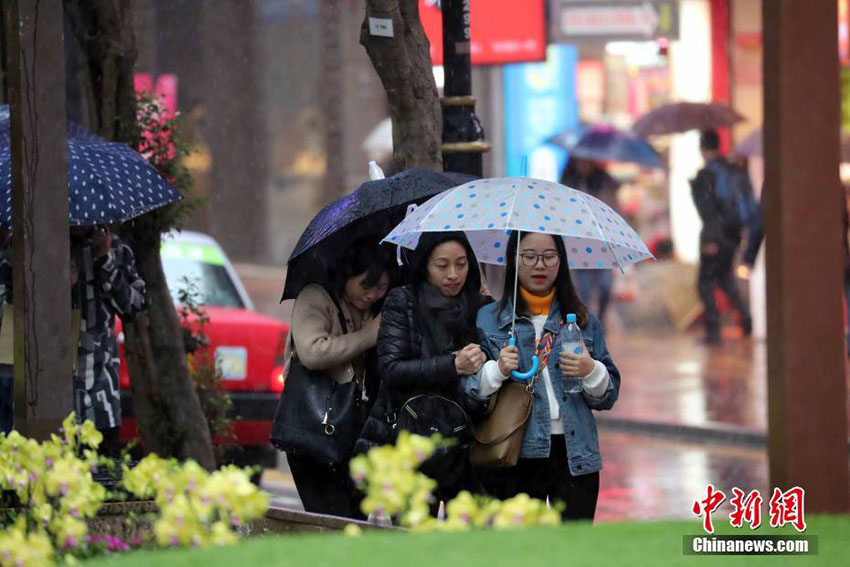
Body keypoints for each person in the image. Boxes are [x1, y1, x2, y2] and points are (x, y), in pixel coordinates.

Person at [470, 231, 621, 521]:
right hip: (516, 453)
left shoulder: (583, 320)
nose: (539, 265)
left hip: (576, 455)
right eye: (529, 256)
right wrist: (497, 370)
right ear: (514, 260)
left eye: (549, 257)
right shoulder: (489, 320)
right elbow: (470, 393)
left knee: (576, 554)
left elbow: (608, 395)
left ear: (561, 262)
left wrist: (591, 370)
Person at [357, 232, 488, 506]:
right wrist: (452, 365)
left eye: (461, 264)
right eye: (442, 265)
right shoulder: (402, 301)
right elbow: (391, 369)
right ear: (425, 265)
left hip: (463, 446)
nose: (453, 274)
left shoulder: (482, 308)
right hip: (408, 439)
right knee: (410, 536)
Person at [0, 226, 146, 449]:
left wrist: (104, 261)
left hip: (98, 400)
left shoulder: (116, 249)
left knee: (98, 477)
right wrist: (50, 284)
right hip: (41, 400)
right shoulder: (30, 242)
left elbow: (134, 308)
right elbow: (7, 299)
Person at [282, 238, 393, 519]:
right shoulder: (316, 297)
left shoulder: (375, 308)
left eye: (381, 287)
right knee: (329, 518)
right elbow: (312, 352)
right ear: (346, 274)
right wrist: (368, 336)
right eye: (366, 286)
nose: (372, 295)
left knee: (354, 519)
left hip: (353, 431)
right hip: (313, 430)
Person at [691, 129, 755, 343]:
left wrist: (709, 240)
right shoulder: (732, 170)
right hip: (733, 234)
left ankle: (713, 330)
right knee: (725, 277)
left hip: (714, 236)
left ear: (702, 148)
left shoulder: (705, 175)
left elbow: (708, 212)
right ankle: (746, 319)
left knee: (705, 282)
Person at [561, 157, 621, 323]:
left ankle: (601, 320)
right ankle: (587, 322)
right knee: (584, 289)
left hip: (602, 242)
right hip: (579, 242)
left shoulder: (605, 182)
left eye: (587, 161)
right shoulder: (568, 183)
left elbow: (614, 209)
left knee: (605, 286)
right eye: (580, 161)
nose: (584, 165)